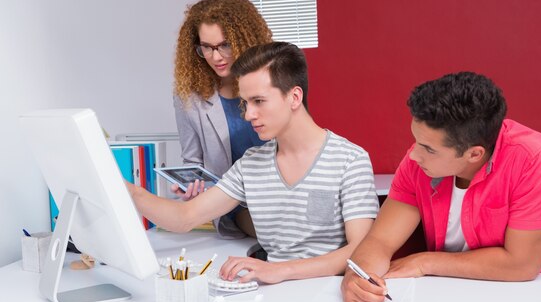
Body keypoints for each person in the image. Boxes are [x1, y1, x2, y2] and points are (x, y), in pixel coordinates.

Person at [127, 42, 379, 284]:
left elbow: (360, 251)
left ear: (294, 97)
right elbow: (184, 217)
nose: (249, 115)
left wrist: (279, 270)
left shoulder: (350, 160)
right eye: (245, 103)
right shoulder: (251, 164)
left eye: (258, 101)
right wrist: (128, 191)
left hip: (330, 295)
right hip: (273, 295)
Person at [341, 71, 541, 302]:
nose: (413, 155)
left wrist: (425, 262)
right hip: (447, 294)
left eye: (428, 149)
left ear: (474, 154)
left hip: (528, 299)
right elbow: (380, 240)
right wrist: (359, 277)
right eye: (416, 140)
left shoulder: (537, 160)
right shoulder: (417, 164)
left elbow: (521, 265)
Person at [172, 0, 272, 239]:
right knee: (275, 231)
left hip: (283, 193)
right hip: (235, 204)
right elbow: (192, 162)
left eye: (224, 45)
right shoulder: (189, 97)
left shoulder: (275, 79)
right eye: (206, 47)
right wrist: (190, 186)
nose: (215, 57)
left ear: (243, 40)